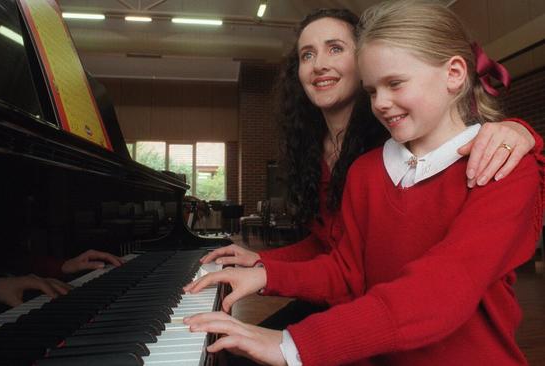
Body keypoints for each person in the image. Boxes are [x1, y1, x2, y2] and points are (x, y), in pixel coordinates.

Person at [184, 1, 543, 365]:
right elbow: (347, 270)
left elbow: (441, 290)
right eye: (372, 91)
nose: (381, 103)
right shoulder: (366, 171)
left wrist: (293, 345)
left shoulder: (502, 167)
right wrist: (265, 273)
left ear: (453, 74)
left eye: (395, 84)